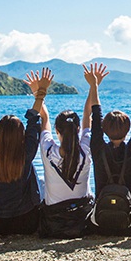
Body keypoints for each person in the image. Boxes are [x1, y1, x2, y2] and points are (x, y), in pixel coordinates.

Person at [0, 67, 52, 235]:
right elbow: (34, 121)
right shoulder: (26, 153)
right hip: (27, 223)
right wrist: (41, 93)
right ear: (21, 135)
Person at [85, 61, 131, 236]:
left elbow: (95, 116)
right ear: (128, 130)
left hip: (100, 223)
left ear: (104, 129)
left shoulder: (98, 148)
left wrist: (94, 86)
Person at [38, 75, 94, 238]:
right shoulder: (86, 149)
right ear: (78, 129)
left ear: (57, 131)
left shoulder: (48, 150)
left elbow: (44, 118)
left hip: (53, 223)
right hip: (81, 220)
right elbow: (87, 115)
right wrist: (93, 86)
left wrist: (39, 92)